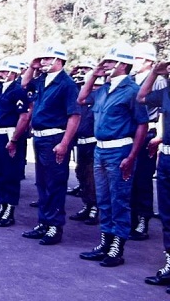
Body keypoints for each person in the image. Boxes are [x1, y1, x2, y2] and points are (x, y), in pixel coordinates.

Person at [77, 42, 148, 267]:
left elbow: (142, 125)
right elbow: (81, 99)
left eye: (109, 61)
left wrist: (132, 156)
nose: (105, 64)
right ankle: (105, 242)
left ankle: (117, 247)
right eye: (105, 61)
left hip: (120, 149)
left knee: (120, 199)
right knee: (104, 198)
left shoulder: (133, 91)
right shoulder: (103, 89)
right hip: (101, 149)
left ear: (123, 64)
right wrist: (93, 74)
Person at [138, 41, 170, 296]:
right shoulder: (168, 88)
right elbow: (142, 97)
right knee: (168, 212)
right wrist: (154, 75)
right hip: (166, 158)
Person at [21, 41, 80, 245]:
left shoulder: (67, 84)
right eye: (43, 58)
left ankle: (55, 226)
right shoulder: (42, 79)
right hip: (40, 137)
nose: (43, 62)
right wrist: (32, 65)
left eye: (47, 58)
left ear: (59, 60)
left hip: (55, 137)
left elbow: (74, 116)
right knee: (43, 182)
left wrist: (64, 143)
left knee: (55, 182)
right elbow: (24, 84)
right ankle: (44, 222)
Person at [0, 56, 30, 227]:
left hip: (11, 133)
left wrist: (14, 139)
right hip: (0, 133)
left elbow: (24, 117)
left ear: (13, 72)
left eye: (4, 71)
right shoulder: (2, 88)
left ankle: (10, 209)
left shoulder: (18, 90)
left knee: (11, 173)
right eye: (0, 70)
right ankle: (2, 207)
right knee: (1, 172)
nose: (1, 74)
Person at [129, 42, 168, 241]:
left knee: (143, 178)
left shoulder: (159, 80)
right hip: (131, 130)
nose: (134, 62)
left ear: (148, 61)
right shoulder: (131, 78)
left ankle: (143, 219)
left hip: (148, 131)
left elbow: (162, 111)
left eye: (138, 58)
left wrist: (159, 137)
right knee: (129, 177)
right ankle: (132, 218)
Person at [69, 59, 100, 226]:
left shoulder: (98, 98)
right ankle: (87, 204)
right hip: (81, 142)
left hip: (94, 142)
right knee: (81, 173)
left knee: (92, 177)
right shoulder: (81, 98)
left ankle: (95, 207)